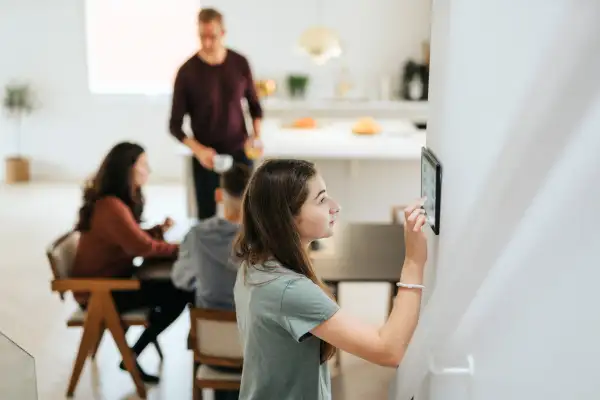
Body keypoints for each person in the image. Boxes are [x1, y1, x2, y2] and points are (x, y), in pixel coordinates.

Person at [233, 159, 428, 399]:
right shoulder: (288, 290)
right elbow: (388, 350)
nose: (335, 206)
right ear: (288, 217)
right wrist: (413, 262)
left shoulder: (253, 265)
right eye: (322, 199)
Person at [72, 142, 193, 384]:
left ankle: (133, 354)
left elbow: (131, 238)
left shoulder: (112, 202)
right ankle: (132, 356)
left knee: (176, 287)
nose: (149, 170)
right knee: (183, 290)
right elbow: (143, 248)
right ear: (128, 170)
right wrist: (184, 248)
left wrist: (157, 231)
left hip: (112, 282)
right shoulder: (111, 207)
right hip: (102, 292)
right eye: (144, 165)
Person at [169, 7, 263, 221]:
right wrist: (200, 151)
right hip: (206, 157)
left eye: (212, 36)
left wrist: (255, 137)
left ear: (223, 33)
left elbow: (255, 107)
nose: (207, 43)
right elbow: (174, 125)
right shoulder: (186, 72)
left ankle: (244, 255)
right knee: (206, 217)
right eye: (202, 37)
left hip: (240, 152)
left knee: (248, 214)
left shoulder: (240, 63)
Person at [171, 163, 251, 310]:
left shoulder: (197, 235)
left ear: (218, 195)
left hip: (210, 328)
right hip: (255, 330)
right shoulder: (269, 240)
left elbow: (181, 279)